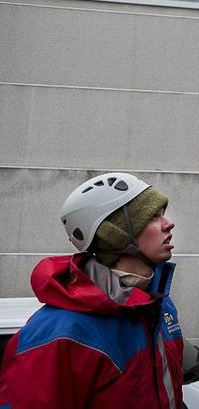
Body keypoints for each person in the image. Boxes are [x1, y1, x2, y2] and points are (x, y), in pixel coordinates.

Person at [0, 172, 184, 409]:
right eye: (152, 216)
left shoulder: (159, 305)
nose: (168, 223)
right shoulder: (59, 335)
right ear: (114, 235)